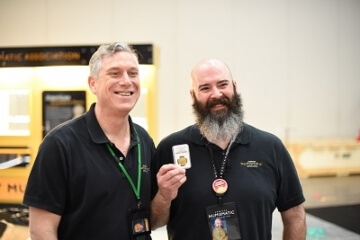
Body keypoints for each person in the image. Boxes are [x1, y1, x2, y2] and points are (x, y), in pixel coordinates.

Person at [150, 58, 306, 239]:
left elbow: (295, 217)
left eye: (222, 84)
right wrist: (164, 196)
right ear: (193, 96)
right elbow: (153, 222)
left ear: (234, 87)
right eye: (205, 88)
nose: (216, 94)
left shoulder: (270, 147)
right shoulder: (170, 148)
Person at [23, 42, 155, 240]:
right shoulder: (59, 145)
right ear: (93, 83)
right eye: (115, 73)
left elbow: (154, 217)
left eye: (133, 73)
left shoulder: (144, 139)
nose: (126, 81)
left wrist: (167, 194)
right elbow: (41, 231)